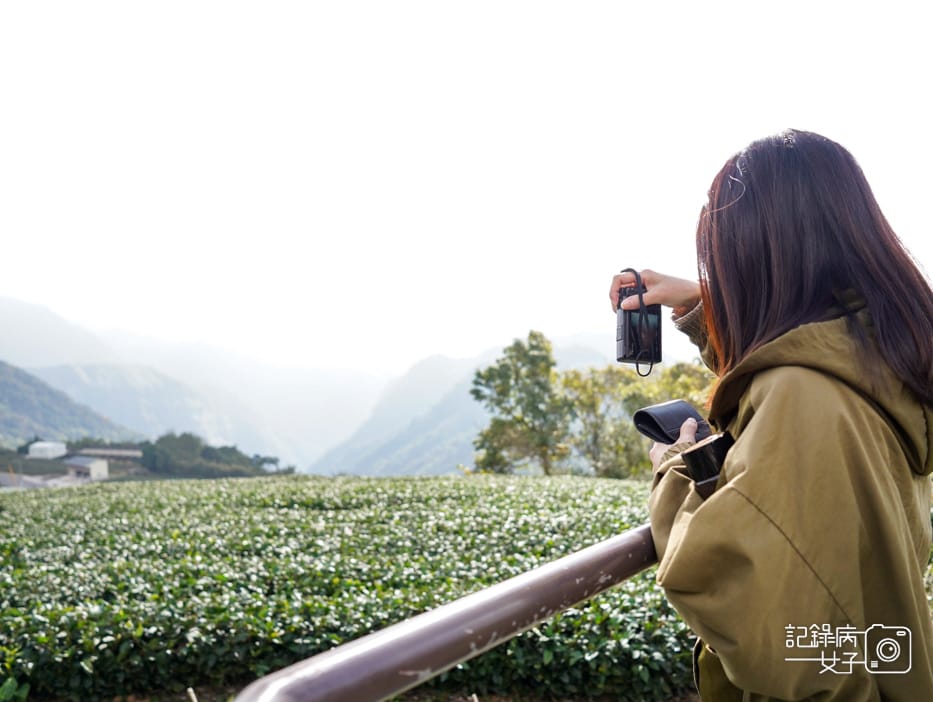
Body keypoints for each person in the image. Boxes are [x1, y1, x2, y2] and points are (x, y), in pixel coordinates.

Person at [609, 129, 933, 701]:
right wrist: (702, 305)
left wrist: (677, 468)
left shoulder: (802, 396)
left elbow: (774, 625)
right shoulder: (888, 358)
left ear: (755, 258)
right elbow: (809, 348)